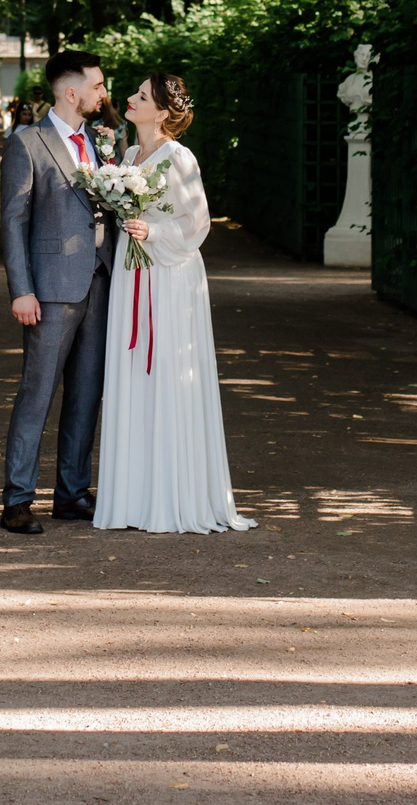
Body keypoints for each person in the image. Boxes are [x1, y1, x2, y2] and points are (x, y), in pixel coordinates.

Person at [93, 74, 256, 533]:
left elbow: (198, 224)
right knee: (132, 369)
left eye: (141, 96)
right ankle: (134, 498)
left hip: (168, 274)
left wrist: (155, 231)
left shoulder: (179, 157)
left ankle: (173, 496)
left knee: (166, 370)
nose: (129, 98)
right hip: (133, 269)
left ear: (162, 112)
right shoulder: (126, 155)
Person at [0, 49, 115, 534]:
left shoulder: (106, 142)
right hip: (47, 290)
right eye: (99, 85)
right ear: (73, 92)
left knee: (87, 395)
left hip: (101, 282)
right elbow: (12, 221)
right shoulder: (28, 142)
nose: (104, 93)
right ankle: (18, 499)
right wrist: (21, 290)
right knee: (37, 392)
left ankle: (71, 494)